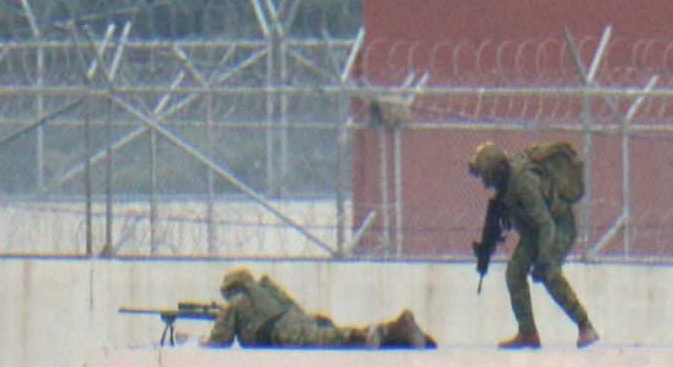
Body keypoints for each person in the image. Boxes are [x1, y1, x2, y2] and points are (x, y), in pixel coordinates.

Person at [465, 140, 599, 347]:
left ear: (495, 172)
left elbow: (546, 224)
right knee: (514, 273)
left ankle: (585, 325)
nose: (484, 182)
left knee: (549, 273)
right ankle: (528, 333)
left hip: (558, 225)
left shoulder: (522, 183)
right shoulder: (505, 186)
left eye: (485, 176)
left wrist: (543, 259)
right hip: (534, 232)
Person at [205, 267, 429, 349]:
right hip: (298, 320)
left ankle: (369, 334)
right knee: (329, 335)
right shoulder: (266, 291)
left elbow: (220, 341)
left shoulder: (238, 302)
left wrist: (200, 343)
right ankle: (396, 333)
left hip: (285, 331)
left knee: (333, 339)